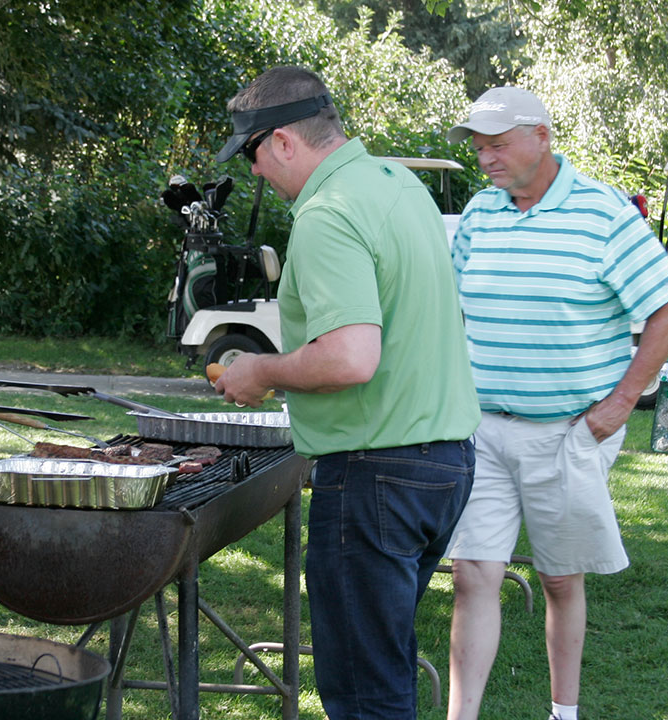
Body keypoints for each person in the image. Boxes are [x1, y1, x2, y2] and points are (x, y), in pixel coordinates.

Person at [212, 66, 481, 719]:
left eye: (251, 154)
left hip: (375, 475)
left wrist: (261, 371)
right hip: (445, 465)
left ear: (280, 141)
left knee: (365, 692)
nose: (252, 172)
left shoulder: (329, 214)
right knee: (385, 666)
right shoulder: (398, 185)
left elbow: (351, 357)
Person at [443, 87, 668, 720]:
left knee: (559, 577)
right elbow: (450, 309)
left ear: (542, 137)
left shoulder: (602, 212)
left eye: (497, 144)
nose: (485, 157)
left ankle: (563, 711)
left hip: (570, 431)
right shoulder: (479, 213)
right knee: (472, 574)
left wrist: (621, 402)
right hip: (482, 428)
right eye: (478, 145)